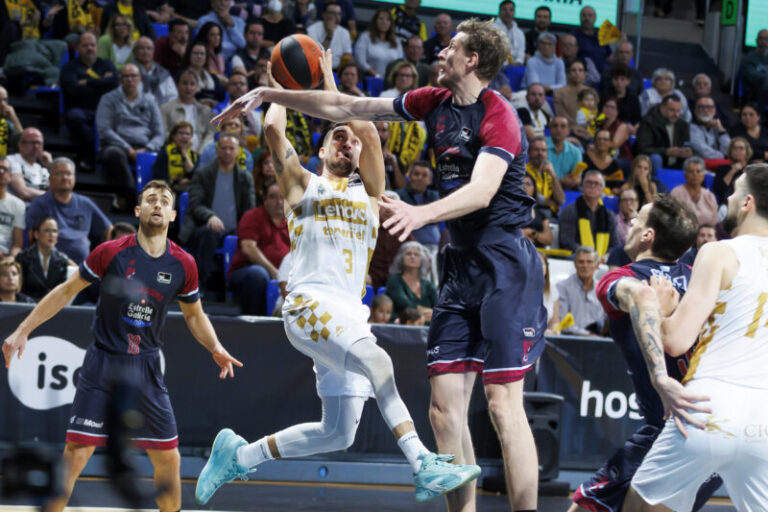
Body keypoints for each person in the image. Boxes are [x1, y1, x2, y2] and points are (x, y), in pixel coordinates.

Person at [214, 19, 544, 511]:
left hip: (500, 263)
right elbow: (345, 108)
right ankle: (437, 481)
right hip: (410, 277)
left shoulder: (496, 116)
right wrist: (270, 89)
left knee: (491, 406)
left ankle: (243, 454)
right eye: (336, 140)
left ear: (472, 59)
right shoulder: (308, 179)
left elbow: (481, 189)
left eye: (452, 45)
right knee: (437, 406)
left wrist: (420, 212)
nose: (442, 49)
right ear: (321, 149)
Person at [3, 179, 242, 512]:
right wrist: (23, 329)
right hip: (103, 362)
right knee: (76, 454)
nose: (157, 205)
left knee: (168, 459)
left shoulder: (183, 264)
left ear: (173, 214)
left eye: (164, 201)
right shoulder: (111, 251)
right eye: (151, 199)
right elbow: (65, 291)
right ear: (138, 210)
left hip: (145, 366)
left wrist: (214, 346)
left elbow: (194, 316)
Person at [624, 164, 768, 511]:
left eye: (733, 193)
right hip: (763, 417)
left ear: (747, 202)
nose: (728, 200)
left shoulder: (719, 252)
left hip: (709, 407)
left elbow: (676, 341)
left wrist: (661, 310)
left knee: (637, 507)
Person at [571, 194, 721, 512]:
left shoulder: (623, 278)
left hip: (670, 427)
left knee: (586, 506)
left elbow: (642, 297)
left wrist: (659, 377)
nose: (631, 223)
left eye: (637, 218)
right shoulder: (702, 280)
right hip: (723, 424)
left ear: (648, 234)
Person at [179, 132, 255, 295]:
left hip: (234, 230)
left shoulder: (245, 178)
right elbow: (195, 204)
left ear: (237, 151)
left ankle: (233, 288)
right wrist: (210, 217)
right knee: (209, 233)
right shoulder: (203, 173)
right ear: (217, 150)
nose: (227, 152)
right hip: (204, 227)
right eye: (224, 148)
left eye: (231, 148)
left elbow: (250, 211)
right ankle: (198, 284)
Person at [96, 63, 165, 210]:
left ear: (140, 79)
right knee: (112, 154)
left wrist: (147, 148)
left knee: (165, 156)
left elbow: (160, 133)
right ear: (120, 79)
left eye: (133, 76)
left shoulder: (150, 101)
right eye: (125, 76)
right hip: (118, 145)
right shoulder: (108, 99)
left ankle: (161, 204)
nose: (129, 79)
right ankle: (132, 195)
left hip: (144, 146)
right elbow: (104, 129)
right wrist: (127, 148)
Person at [26, 158, 112, 265]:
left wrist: (104, 256)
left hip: (84, 269)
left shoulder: (85, 203)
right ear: (50, 179)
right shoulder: (39, 204)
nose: (65, 177)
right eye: (59, 173)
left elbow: (109, 229)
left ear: (74, 178)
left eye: (68, 174)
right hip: (52, 267)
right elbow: (32, 240)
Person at [227, 183, 289, 316]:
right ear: (264, 199)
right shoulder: (252, 216)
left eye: (282, 197)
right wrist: (276, 273)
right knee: (258, 274)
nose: (278, 202)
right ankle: (254, 324)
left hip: (283, 277)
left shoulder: (293, 222)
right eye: (273, 197)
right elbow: (249, 248)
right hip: (246, 273)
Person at [60, 32, 118, 163]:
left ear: (97, 47)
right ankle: (91, 156)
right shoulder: (69, 67)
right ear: (78, 48)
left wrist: (87, 82)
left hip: (105, 111)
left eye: (92, 45)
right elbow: (72, 89)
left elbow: (114, 84)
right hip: (80, 109)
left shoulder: (106, 64)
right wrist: (102, 82)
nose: (89, 48)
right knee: (75, 117)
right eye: (85, 45)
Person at [559, 170, 620, 257]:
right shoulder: (569, 211)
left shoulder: (609, 216)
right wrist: (590, 255)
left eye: (596, 184)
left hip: (602, 259)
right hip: (577, 258)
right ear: (582, 186)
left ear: (602, 190)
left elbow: (615, 245)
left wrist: (606, 256)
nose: (592, 186)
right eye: (589, 183)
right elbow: (567, 242)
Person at [14, 216, 72, 301]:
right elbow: (19, 290)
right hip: (27, 307)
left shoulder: (62, 260)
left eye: (54, 231)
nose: (51, 235)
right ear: (36, 234)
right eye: (47, 230)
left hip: (53, 308)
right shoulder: (22, 257)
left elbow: (62, 293)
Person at [160, 69, 216, 154]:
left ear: (197, 87)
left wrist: (201, 151)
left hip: (199, 153)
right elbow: (164, 132)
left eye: (192, 84)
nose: (188, 87)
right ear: (177, 86)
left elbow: (210, 134)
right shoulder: (165, 108)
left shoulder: (205, 110)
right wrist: (180, 147)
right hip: (173, 152)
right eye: (185, 83)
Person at [395, 161, 440, 260]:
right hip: (409, 250)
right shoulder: (399, 196)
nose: (419, 178)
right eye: (416, 174)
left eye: (424, 175)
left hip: (435, 249)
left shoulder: (435, 196)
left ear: (429, 180)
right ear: (409, 177)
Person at [556, 246, 605, 336]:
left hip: (599, 339)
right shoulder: (562, 287)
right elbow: (563, 323)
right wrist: (588, 335)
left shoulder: (602, 288)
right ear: (575, 264)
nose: (585, 266)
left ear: (597, 265)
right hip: (571, 340)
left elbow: (605, 321)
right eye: (581, 262)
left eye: (589, 262)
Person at [635, 94, 692, 171]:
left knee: (694, 160)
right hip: (653, 163)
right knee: (655, 158)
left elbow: (686, 144)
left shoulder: (683, 125)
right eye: (672, 110)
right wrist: (666, 151)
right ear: (662, 108)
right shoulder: (648, 123)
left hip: (677, 163)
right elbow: (643, 149)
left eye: (678, 111)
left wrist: (687, 152)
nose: (676, 114)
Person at [386, 240, 437, 323]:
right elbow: (403, 304)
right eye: (408, 254)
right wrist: (425, 314)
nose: (412, 256)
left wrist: (433, 314)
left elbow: (437, 309)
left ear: (422, 260)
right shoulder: (394, 281)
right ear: (401, 258)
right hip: (401, 327)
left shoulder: (428, 285)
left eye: (416, 254)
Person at [152, 121, 199, 194]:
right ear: (174, 137)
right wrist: (177, 182)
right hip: (168, 190)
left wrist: (184, 154)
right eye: (180, 133)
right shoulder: (164, 152)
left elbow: (195, 176)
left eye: (187, 134)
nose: (184, 136)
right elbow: (159, 177)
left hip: (189, 189)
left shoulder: (194, 155)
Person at [354, 8, 402, 79]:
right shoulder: (365, 37)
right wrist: (377, 76)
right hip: (369, 78)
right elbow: (360, 61)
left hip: (392, 80)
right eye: (381, 19)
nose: (384, 22)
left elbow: (399, 62)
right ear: (375, 21)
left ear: (391, 23)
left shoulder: (396, 40)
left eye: (388, 19)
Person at [669, 157, 718, 227]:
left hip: (705, 235)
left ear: (703, 176)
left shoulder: (709, 196)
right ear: (685, 175)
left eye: (698, 171)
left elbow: (715, 224)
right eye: (691, 171)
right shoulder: (676, 193)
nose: (695, 174)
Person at [7, 127, 51, 202]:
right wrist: (51, 196)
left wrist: (50, 166)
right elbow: (23, 192)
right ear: (20, 144)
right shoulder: (11, 161)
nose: (36, 146)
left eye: (39, 143)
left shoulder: (42, 169)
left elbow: (57, 190)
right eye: (32, 142)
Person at [133, 36, 177, 106]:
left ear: (154, 52)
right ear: (134, 51)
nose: (145, 52)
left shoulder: (163, 73)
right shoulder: (128, 73)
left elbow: (172, 97)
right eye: (141, 48)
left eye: (149, 48)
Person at [307, 1, 352, 70]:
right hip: (317, 68)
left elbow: (348, 55)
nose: (336, 17)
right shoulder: (312, 29)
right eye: (332, 13)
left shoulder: (345, 32)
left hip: (337, 70)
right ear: (324, 15)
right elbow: (315, 55)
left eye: (338, 14)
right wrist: (329, 35)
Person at [526, 136, 565, 212]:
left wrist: (553, 174)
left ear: (547, 154)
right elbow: (528, 198)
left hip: (550, 215)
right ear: (528, 152)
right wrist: (548, 203)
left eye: (543, 150)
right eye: (536, 150)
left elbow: (561, 200)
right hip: (532, 213)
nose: (540, 153)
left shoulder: (549, 172)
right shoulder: (524, 172)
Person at [183, 41, 226, 108]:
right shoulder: (182, 75)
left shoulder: (213, 77)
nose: (199, 56)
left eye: (202, 54)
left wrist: (201, 91)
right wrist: (211, 94)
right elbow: (189, 94)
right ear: (189, 55)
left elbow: (221, 95)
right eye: (196, 53)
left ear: (206, 57)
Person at [231, 19, 270, 89]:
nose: (256, 37)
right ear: (244, 35)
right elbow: (242, 79)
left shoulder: (269, 54)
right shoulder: (238, 57)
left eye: (259, 34)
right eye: (252, 33)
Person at [583, 129, 624, 193]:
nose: (601, 141)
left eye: (605, 139)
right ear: (594, 142)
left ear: (610, 143)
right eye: (599, 139)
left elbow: (616, 187)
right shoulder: (584, 158)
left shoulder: (615, 164)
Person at [571, 6, 610, 73]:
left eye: (590, 16)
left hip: (601, 77)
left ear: (595, 18)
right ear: (580, 17)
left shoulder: (601, 34)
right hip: (581, 76)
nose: (587, 18)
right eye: (584, 15)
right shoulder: (574, 35)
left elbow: (609, 56)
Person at [547, 117, 582, 189]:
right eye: (555, 126)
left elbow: (577, 179)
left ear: (568, 131)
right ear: (550, 129)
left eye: (563, 126)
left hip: (566, 189)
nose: (558, 130)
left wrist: (575, 181)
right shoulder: (540, 147)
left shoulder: (576, 152)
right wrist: (562, 181)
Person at [713, 137, 751, 203]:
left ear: (747, 152)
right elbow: (719, 190)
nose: (737, 151)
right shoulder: (722, 169)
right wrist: (732, 171)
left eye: (741, 148)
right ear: (730, 151)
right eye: (735, 148)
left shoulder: (751, 168)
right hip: (728, 203)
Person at [555, 58, 591, 127]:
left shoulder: (591, 92)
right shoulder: (559, 92)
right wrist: (574, 127)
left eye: (580, 70)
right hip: (567, 128)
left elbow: (593, 113)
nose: (577, 73)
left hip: (587, 129)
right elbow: (561, 114)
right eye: (573, 70)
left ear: (584, 74)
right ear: (568, 73)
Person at [521, 173, 554, 247]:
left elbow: (549, 239)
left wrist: (533, 233)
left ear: (534, 189)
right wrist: (520, 234)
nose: (524, 187)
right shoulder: (508, 211)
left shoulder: (541, 214)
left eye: (528, 184)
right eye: (521, 183)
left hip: (537, 252)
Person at [0, 157, 24, 260]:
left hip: (5, 256)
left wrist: (11, 259)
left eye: (4, 169)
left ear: (10, 176)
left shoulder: (18, 205)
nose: (0, 171)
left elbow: (17, 245)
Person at [739, 29, 768, 110]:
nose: (764, 42)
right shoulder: (748, 58)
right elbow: (753, 78)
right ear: (757, 40)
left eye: (766, 39)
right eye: (761, 39)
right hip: (752, 92)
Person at [493, 0, 524, 66]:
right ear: (499, 12)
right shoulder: (492, 29)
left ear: (514, 13)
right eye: (504, 9)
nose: (507, 12)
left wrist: (518, 63)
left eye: (511, 10)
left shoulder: (520, 33)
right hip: (496, 66)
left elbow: (521, 53)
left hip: (515, 67)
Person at [0, 85, 22, 157]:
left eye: (5, 100)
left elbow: (23, 147)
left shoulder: (7, 125)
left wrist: (13, 118)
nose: (3, 104)